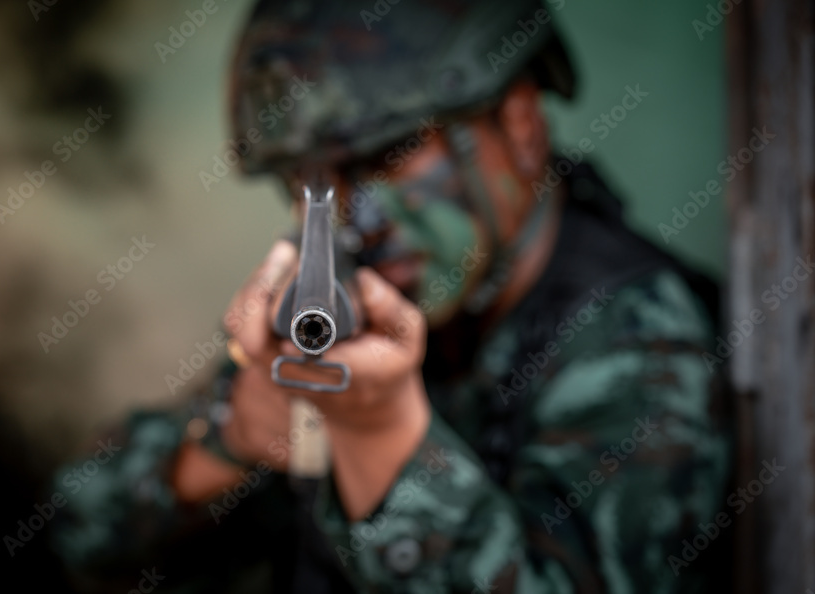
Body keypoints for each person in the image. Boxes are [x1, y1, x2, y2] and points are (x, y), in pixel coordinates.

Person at [52, 0, 731, 592]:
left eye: (392, 154)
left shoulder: (642, 334)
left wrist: (380, 436)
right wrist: (231, 435)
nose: (356, 219)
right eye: (311, 184)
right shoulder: (353, 308)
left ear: (521, 124)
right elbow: (80, 534)